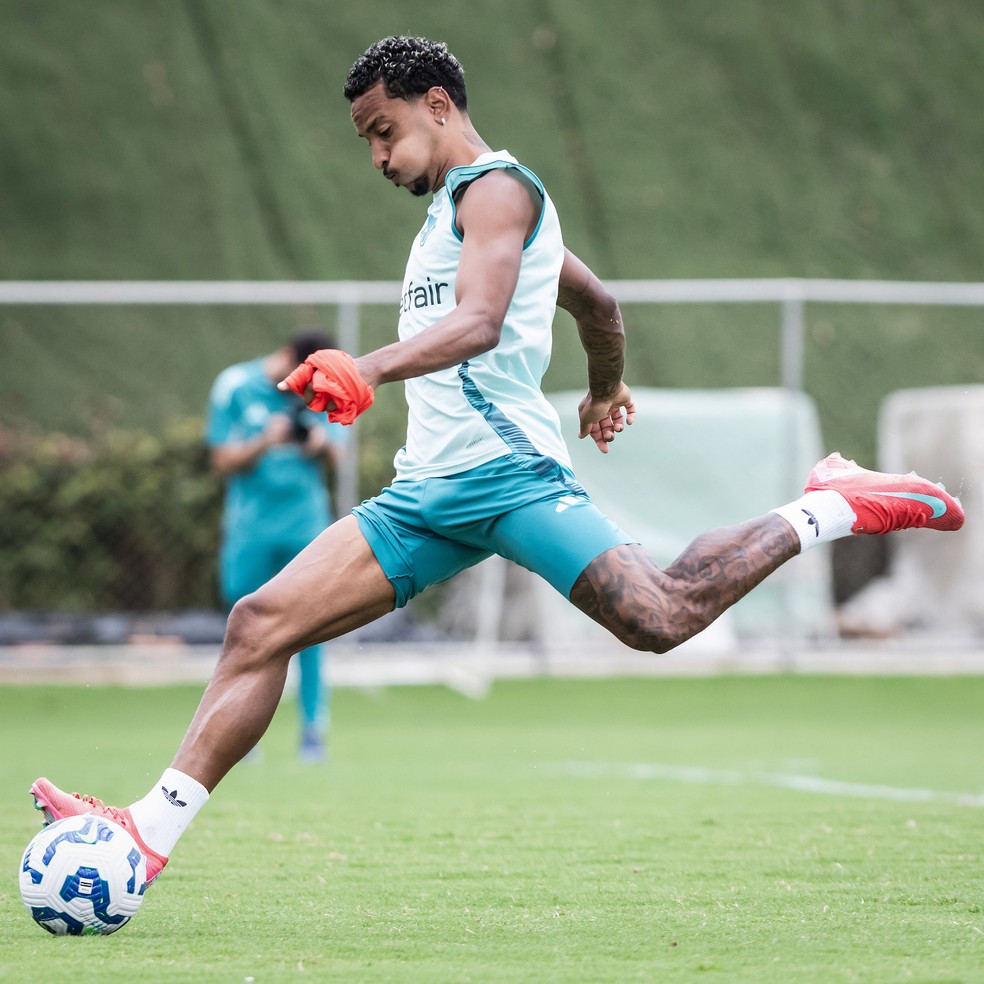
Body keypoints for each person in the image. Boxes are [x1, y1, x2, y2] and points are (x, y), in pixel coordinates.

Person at [30, 36, 964, 888]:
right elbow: (598, 307)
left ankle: (831, 505)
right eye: (366, 141)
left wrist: (371, 366)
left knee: (659, 616)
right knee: (259, 623)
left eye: (384, 131)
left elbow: (479, 324)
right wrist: (605, 388)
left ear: (438, 104)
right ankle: (144, 834)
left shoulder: (499, 191)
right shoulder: (459, 214)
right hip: (425, 495)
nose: (378, 158)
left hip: (509, 476)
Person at [205, 329, 346, 763]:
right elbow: (221, 460)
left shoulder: (321, 388)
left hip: (306, 527)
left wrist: (320, 445)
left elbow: (340, 457)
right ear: (288, 359)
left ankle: (313, 730)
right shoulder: (235, 385)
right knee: (245, 631)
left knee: (312, 630)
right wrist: (264, 441)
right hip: (251, 530)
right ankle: (240, 735)